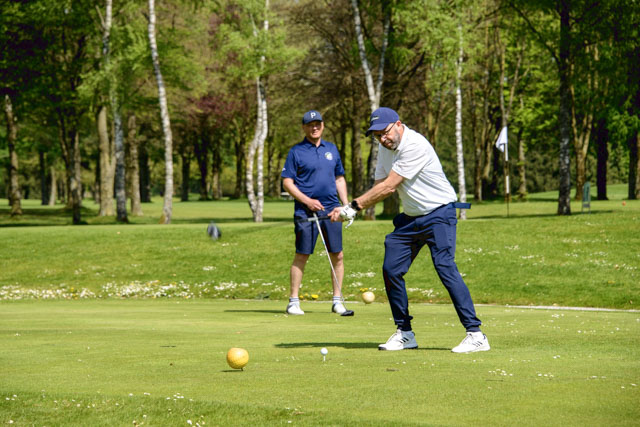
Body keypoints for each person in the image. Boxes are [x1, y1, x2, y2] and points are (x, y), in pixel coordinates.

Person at [329, 107, 490, 353]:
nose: (383, 139)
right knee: (391, 269)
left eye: (385, 132)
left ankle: (476, 335)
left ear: (398, 124)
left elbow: (390, 186)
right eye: (377, 136)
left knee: (445, 267)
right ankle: (405, 333)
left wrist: (352, 207)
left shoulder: (415, 145)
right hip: (411, 219)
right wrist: (353, 208)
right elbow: (379, 186)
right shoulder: (385, 149)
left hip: (439, 214)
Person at [281, 110, 350, 316]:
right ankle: (293, 302)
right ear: (304, 127)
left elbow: (339, 178)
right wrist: (307, 201)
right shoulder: (296, 151)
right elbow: (287, 182)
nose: (314, 127)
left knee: (337, 254)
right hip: (306, 211)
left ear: (323, 125)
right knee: (302, 254)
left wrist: (346, 205)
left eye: (318, 124)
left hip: (332, 209)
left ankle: (337, 301)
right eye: (310, 124)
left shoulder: (332, 149)